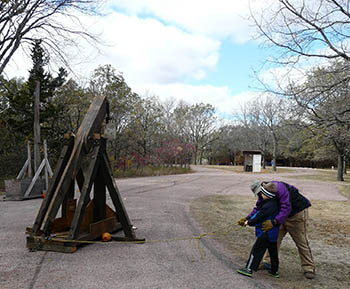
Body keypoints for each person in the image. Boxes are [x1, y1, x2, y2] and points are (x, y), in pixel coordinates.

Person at [242, 180, 316, 280]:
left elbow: (286, 208)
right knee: (273, 239)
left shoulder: (280, 188)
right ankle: (268, 263)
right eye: (258, 194)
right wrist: (247, 218)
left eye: (260, 193)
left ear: (263, 187)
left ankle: (309, 267)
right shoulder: (263, 194)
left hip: (296, 214)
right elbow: (259, 208)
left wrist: (275, 222)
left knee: (301, 242)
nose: (260, 196)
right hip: (280, 216)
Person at [236, 185, 280, 278]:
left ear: (266, 194)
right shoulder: (275, 203)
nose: (260, 196)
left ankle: (249, 269)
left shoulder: (267, 206)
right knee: (273, 252)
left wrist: (248, 222)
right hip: (274, 233)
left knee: (256, 251)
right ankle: (274, 270)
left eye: (262, 193)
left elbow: (259, 216)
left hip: (265, 232)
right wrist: (247, 219)